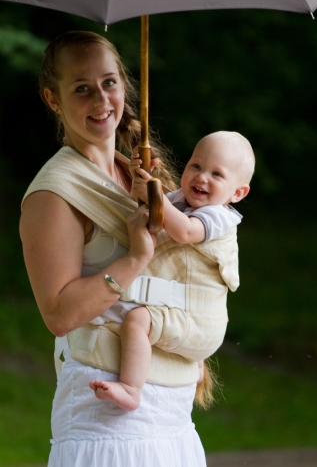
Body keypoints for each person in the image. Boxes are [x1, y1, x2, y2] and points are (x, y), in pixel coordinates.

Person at [19, 31, 208, 467]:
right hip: (107, 418)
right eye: (81, 89)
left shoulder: (134, 173)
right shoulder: (54, 194)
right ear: (53, 99)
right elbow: (59, 314)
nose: (101, 99)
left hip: (170, 413)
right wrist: (136, 258)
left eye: (109, 83)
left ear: (124, 85)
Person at [89, 131, 255, 411]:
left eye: (217, 174)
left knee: (137, 321)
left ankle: (131, 389)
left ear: (237, 193)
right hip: (192, 314)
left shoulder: (219, 217)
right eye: (196, 166)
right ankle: (194, 364)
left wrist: (156, 195)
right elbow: (153, 208)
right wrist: (142, 179)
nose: (202, 177)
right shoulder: (181, 201)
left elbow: (185, 231)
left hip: (202, 322)